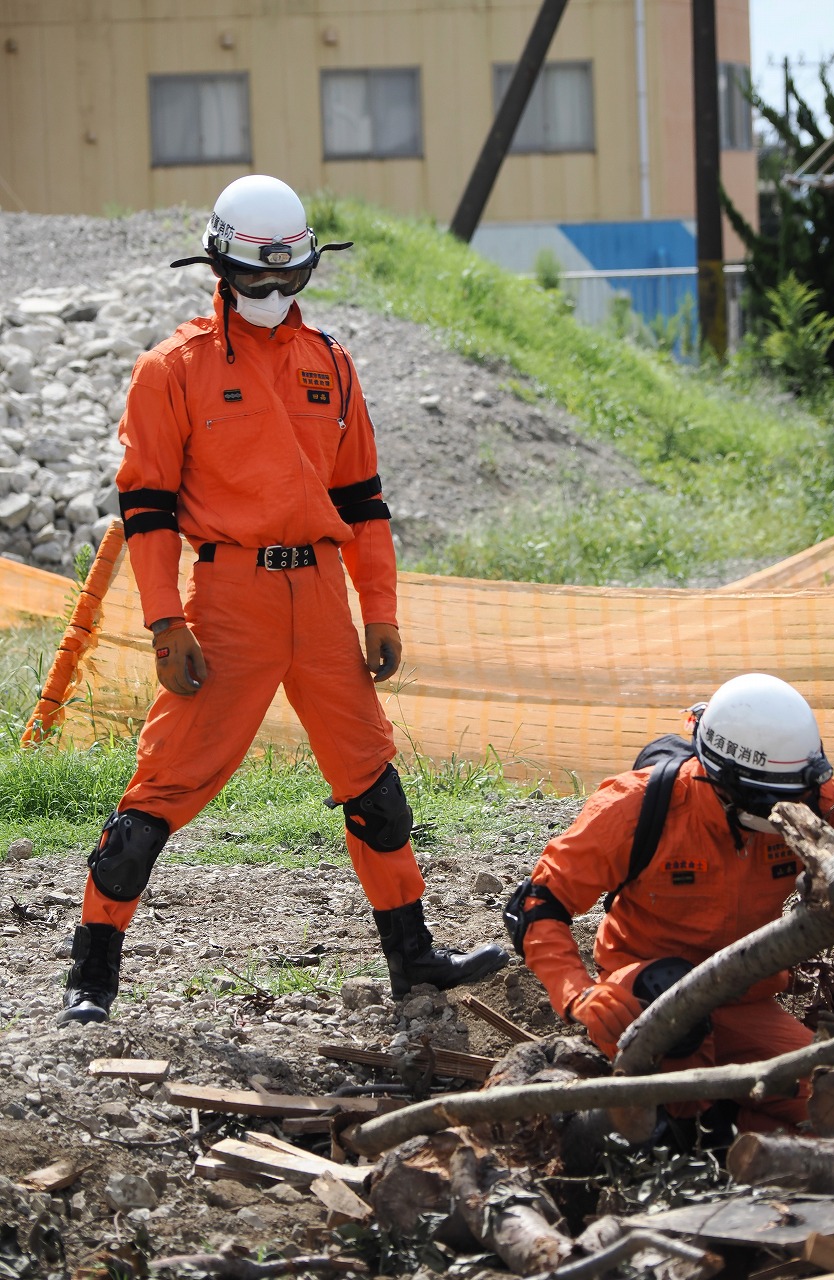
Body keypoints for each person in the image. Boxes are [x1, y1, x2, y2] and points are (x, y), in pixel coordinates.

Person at [58, 174, 508, 1025]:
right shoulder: (171, 369)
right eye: (256, 280)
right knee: (156, 798)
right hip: (230, 600)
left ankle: (414, 961)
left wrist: (380, 608)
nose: (272, 295)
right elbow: (147, 509)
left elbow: (364, 501)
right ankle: (92, 972)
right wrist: (165, 621)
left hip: (323, 600)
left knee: (374, 787)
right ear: (221, 266)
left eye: (289, 279)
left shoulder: (330, 364)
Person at [503, 672, 834, 1137]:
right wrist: (578, 993)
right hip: (643, 991)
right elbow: (536, 904)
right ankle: (685, 1120)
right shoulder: (640, 805)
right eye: (772, 801)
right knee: (669, 1014)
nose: (788, 811)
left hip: (744, 997)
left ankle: (730, 1128)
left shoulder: (813, 799)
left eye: (797, 796)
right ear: (725, 783)